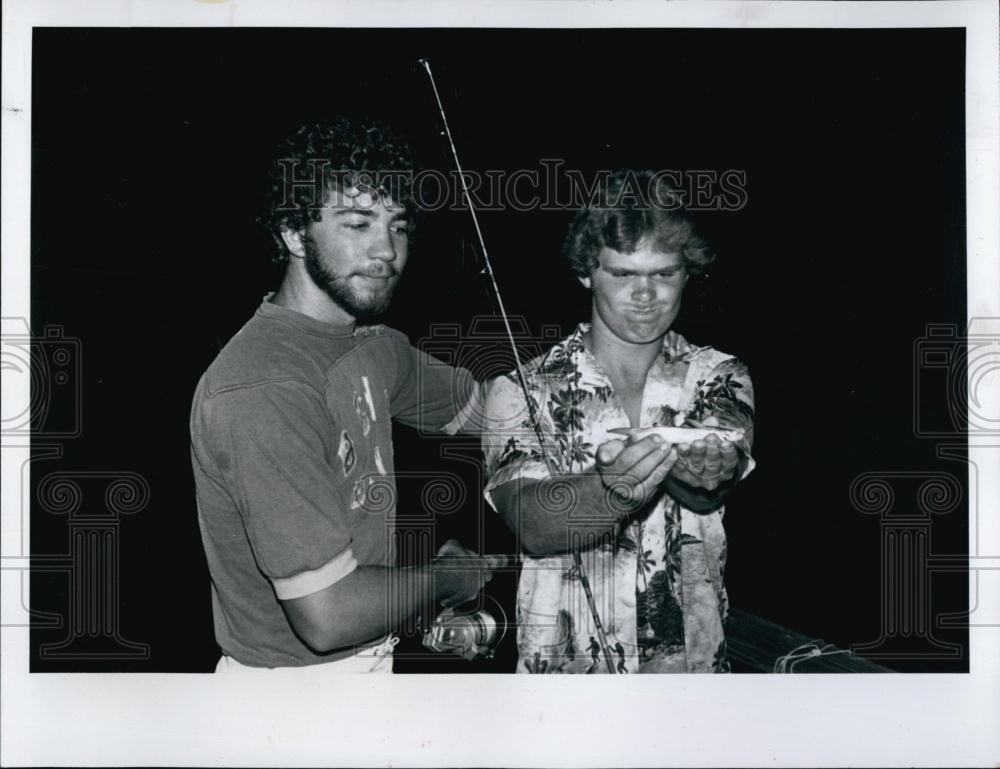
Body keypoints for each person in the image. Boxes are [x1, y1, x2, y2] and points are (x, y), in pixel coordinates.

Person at [189, 117, 501, 675]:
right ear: (292, 233)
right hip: (292, 693)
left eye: (398, 226)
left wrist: (607, 372)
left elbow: (489, 409)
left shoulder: (371, 344)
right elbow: (326, 617)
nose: (387, 251)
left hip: (373, 658)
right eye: (357, 224)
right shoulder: (264, 388)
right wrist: (445, 581)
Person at [482, 169, 755, 674]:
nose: (646, 294)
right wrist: (613, 489)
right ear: (588, 272)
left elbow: (706, 492)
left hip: (692, 679)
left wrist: (706, 470)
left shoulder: (719, 376)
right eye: (625, 274)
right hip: (565, 686)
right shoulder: (519, 390)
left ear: (687, 273)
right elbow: (531, 525)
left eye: (664, 273)